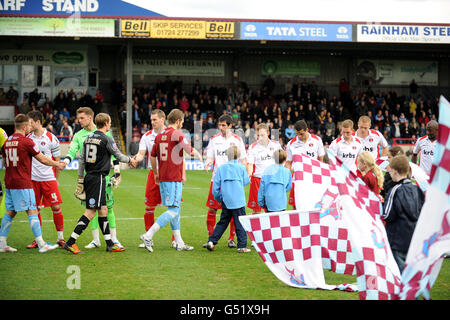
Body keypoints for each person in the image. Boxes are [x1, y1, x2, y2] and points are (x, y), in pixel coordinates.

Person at [64, 113, 137, 254]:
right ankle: (70, 242)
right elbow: (118, 156)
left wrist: (80, 179)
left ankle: (110, 244)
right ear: (107, 123)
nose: (110, 124)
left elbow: (81, 161)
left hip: (90, 177)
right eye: (109, 122)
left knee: (103, 210)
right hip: (98, 178)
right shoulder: (106, 139)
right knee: (90, 212)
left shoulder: (88, 138)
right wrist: (130, 160)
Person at [0, 114, 66, 253]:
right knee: (32, 210)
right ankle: (41, 244)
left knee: (11, 212)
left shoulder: (7, 141)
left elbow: (5, 162)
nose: (30, 127)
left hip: (9, 182)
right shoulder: (26, 141)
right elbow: (42, 158)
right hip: (23, 182)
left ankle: (2, 242)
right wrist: (56, 164)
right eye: (28, 125)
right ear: (24, 127)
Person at [140, 109, 202, 253]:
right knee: (174, 210)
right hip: (173, 177)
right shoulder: (177, 134)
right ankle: (148, 235)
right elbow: (189, 150)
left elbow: (153, 156)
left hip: (163, 177)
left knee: (175, 209)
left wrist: (156, 173)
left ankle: (179, 242)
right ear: (179, 121)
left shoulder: (160, 135)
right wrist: (198, 154)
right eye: (182, 121)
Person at [133, 109, 177, 248]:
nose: (152, 122)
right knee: (149, 207)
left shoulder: (171, 134)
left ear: (162, 119)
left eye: (155, 120)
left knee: (174, 207)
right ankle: (148, 238)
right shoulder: (147, 136)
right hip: (154, 174)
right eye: (151, 120)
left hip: (169, 174)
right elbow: (141, 153)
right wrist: (135, 159)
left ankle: (175, 239)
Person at [204, 114, 247, 248]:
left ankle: (231, 238)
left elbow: (243, 159)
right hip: (217, 178)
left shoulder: (238, 140)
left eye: (223, 125)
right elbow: (210, 157)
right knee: (212, 208)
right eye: (219, 125)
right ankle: (210, 238)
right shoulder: (214, 140)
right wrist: (208, 163)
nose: (220, 128)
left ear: (230, 125)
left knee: (234, 209)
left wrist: (244, 171)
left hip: (233, 180)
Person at [25, 111, 65, 249]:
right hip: (33, 180)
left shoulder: (51, 138)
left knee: (56, 207)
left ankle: (60, 238)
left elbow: (57, 160)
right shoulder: (28, 138)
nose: (28, 125)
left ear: (37, 122)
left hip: (49, 179)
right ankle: (38, 239)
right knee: (34, 210)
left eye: (30, 122)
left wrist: (56, 178)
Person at [383, 155, 425, 272]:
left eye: (390, 171)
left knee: (398, 275)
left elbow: (387, 215)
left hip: (397, 239)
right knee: (409, 274)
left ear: (395, 172)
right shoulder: (417, 189)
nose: (389, 174)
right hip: (413, 239)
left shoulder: (395, 190)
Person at [205, 146, 251, 253]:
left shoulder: (221, 168)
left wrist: (219, 198)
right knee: (240, 222)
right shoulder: (241, 168)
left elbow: (215, 188)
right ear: (238, 156)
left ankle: (212, 241)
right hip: (238, 200)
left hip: (226, 200)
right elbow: (246, 181)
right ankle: (242, 245)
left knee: (223, 222)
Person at [285, 120, 325, 209]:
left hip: (312, 178)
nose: (299, 136)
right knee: (295, 207)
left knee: (314, 205)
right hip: (297, 179)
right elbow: (288, 163)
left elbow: (321, 160)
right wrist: (285, 176)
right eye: (297, 134)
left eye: (301, 134)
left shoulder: (317, 140)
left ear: (307, 130)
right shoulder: (291, 144)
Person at [246, 123, 282, 214]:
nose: (260, 137)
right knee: (256, 210)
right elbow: (250, 164)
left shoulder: (276, 145)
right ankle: (255, 228)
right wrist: (249, 174)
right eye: (258, 135)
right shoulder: (253, 147)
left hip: (272, 180)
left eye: (262, 135)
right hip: (258, 180)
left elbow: (281, 161)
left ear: (268, 133)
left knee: (272, 209)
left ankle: (271, 228)